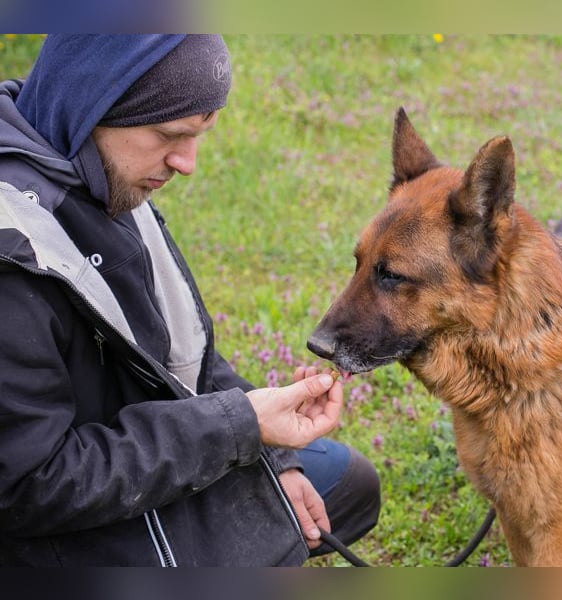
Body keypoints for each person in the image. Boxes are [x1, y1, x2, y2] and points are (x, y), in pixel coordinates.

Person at [0, 34, 380, 566]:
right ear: (91, 107)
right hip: (45, 524)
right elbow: (27, 486)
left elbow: (184, 358)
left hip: (131, 457)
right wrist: (236, 427)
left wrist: (272, 449)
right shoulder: (12, 257)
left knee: (344, 483)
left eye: (199, 135)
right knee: (275, 534)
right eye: (169, 134)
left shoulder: (98, 171)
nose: (187, 163)